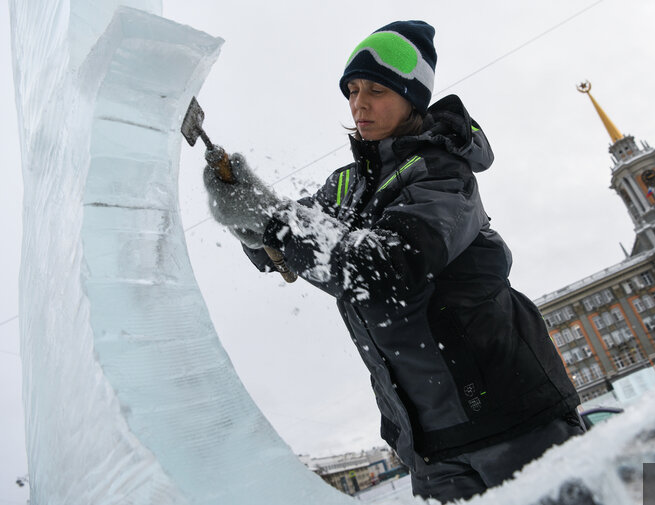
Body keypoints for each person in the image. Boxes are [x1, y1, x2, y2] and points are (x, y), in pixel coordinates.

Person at [203, 20, 583, 503]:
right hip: (430, 445)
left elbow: (385, 269)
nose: (359, 103)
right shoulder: (345, 187)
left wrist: (274, 220)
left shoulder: (442, 173)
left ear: (412, 98)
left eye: (377, 89)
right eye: (352, 90)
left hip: (514, 421)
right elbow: (288, 256)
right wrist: (248, 218)